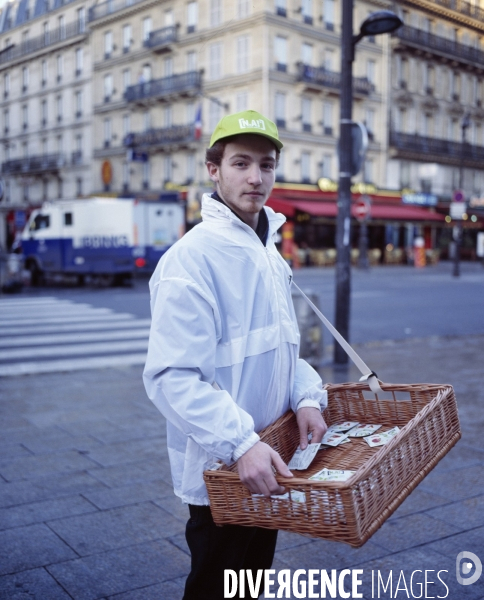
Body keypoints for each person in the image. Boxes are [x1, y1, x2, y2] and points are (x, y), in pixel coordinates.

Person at [143, 109, 328, 599]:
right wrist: (239, 445)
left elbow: (281, 346)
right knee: (216, 588)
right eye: (241, 163)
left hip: (270, 456)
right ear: (213, 170)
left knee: (250, 586)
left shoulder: (266, 249)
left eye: (266, 165)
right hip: (224, 469)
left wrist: (306, 396)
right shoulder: (191, 259)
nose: (255, 177)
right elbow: (171, 377)